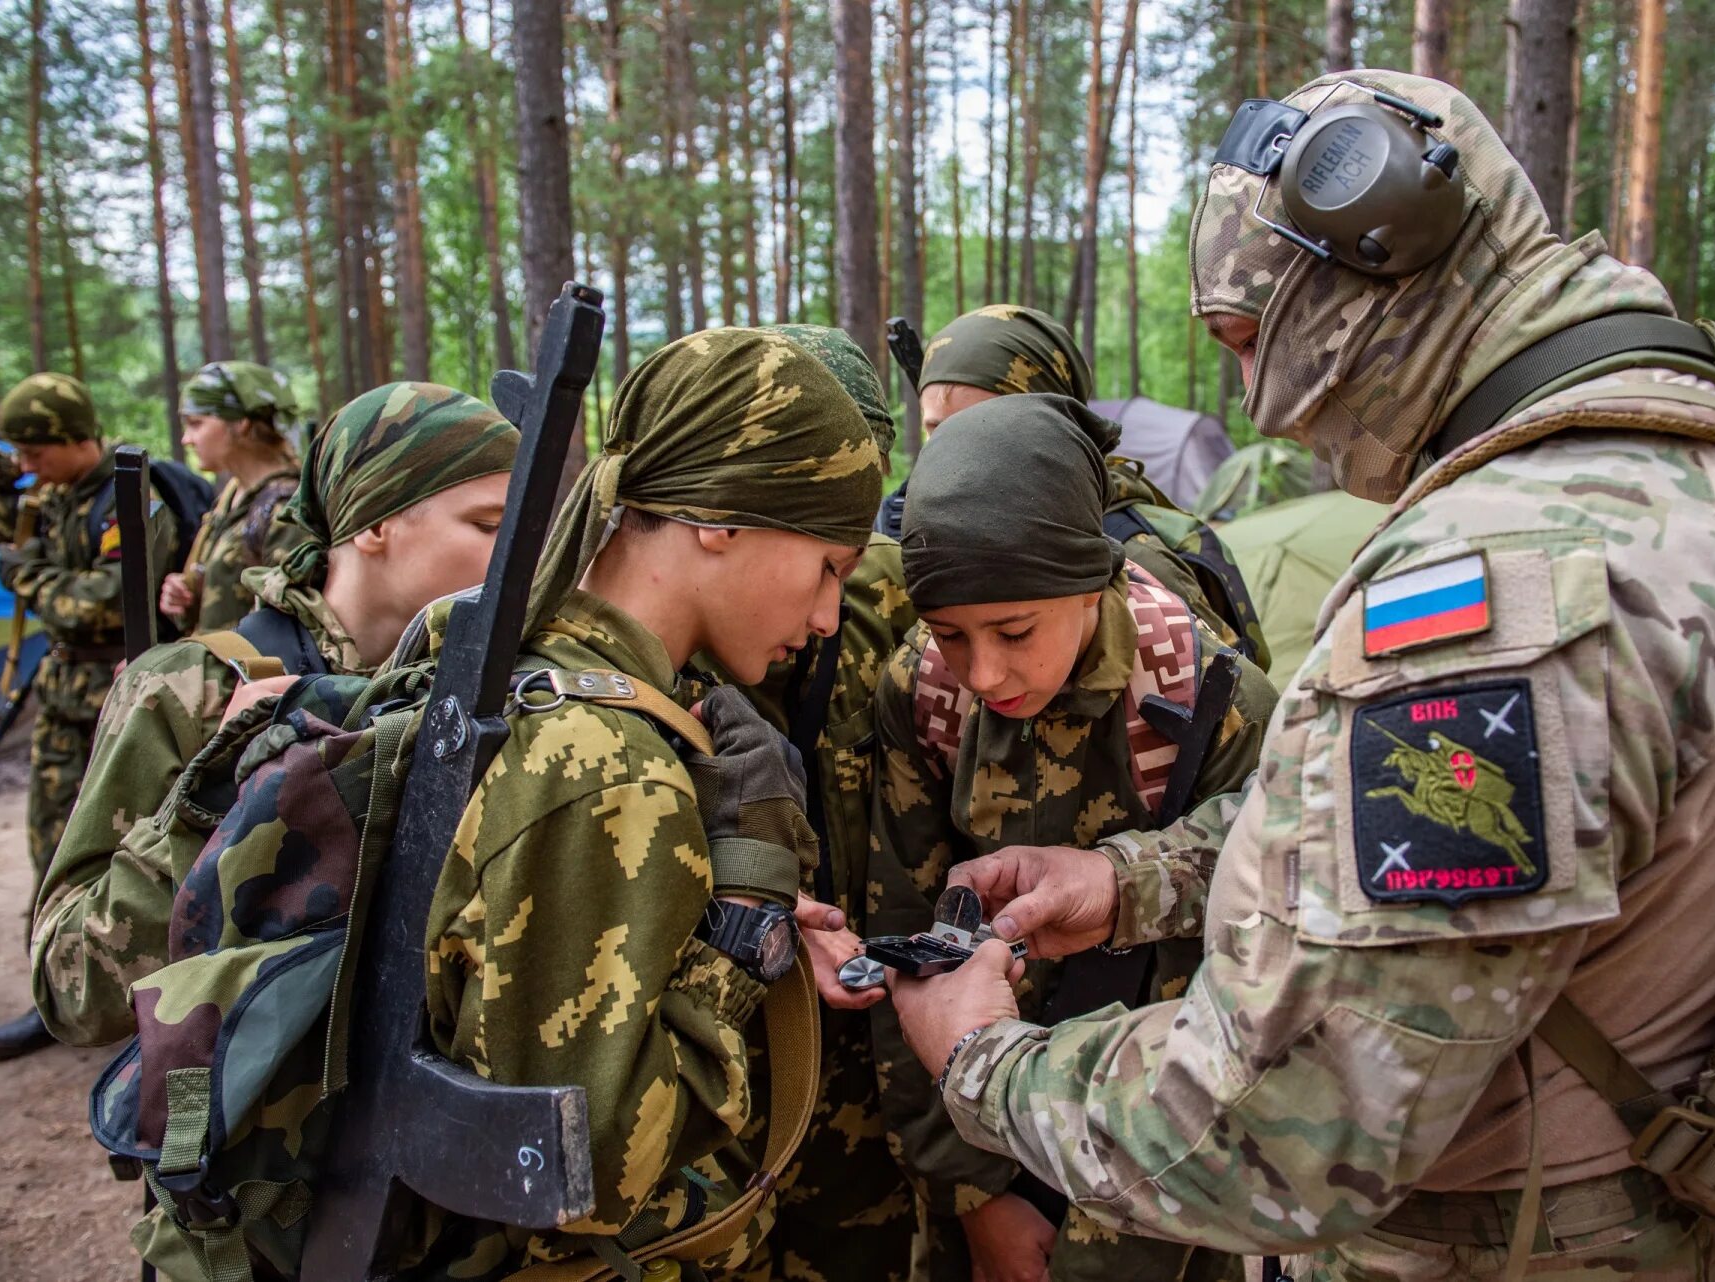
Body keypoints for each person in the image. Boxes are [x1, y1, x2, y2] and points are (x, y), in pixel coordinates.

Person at [888, 69, 1715, 1279]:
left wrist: (984, 1062)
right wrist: (1132, 883)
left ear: (1373, 258)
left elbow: (1281, 1135)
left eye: (1247, 338)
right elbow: (1445, 884)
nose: (1260, 405)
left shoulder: (1504, 587)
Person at [394, 328, 883, 1276]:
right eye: (826, 566)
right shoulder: (606, 763)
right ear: (721, 520)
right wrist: (743, 927)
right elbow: (586, 1179)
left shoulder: (514, 663)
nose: (828, 617)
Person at [868, 392, 1278, 1282]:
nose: (983, 672)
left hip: (1157, 1147)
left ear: (1094, 582)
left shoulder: (1210, 700)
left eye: (1015, 631)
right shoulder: (926, 692)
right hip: (976, 1123)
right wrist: (971, 1195)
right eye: (948, 632)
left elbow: (1273, 931)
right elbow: (904, 942)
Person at [32, 381, 521, 1048]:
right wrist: (223, 796)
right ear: (376, 523)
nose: (520, 557)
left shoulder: (489, 689)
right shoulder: (191, 690)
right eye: (490, 527)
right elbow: (70, 988)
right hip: (248, 1131)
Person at [689, 324, 918, 1282]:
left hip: (860, 1050)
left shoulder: (897, 605)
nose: (832, 585)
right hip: (714, 1058)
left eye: (851, 548)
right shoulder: (659, 646)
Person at [881, 304, 1265, 665]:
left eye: (979, 424)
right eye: (936, 427)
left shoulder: (1132, 554)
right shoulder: (909, 530)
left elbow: (1222, 702)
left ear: (1056, 428)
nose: (950, 449)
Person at [0, 371, 180, 1060]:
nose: (25, 468)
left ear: (76, 439)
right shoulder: (52, 496)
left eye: (35, 453)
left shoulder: (127, 496)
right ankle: (57, 990)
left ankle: (140, 997)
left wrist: (33, 577)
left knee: (129, 848)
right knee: (51, 842)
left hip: (121, 690)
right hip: (63, 688)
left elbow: (104, 599)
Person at [161, 360, 306, 634]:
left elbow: (287, 628)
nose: (186, 439)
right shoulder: (231, 497)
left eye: (196, 424)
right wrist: (183, 596)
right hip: (213, 671)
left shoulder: (285, 508)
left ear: (241, 423)